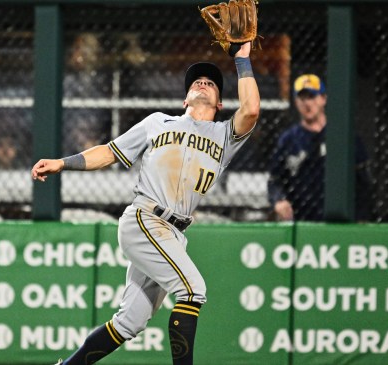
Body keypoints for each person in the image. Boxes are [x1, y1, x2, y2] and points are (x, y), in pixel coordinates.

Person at [31, 42, 259, 365]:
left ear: (220, 102)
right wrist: (62, 163)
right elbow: (110, 151)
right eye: (196, 81)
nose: (203, 83)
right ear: (185, 98)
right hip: (145, 219)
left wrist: (242, 60)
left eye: (210, 82)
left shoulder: (224, 136)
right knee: (192, 290)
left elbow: (250, 110)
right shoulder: (158, 123)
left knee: (130, 322)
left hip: (174, 233)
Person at [267, 74, 371, 221]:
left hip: (339, 220)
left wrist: (362, 216)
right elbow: (274, 180)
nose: (307, 103)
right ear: (296, 101)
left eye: (312, 97)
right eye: (302, 98)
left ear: (323, 99)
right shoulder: (288, 140)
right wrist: (278, 200)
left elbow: (363, 180)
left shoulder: (343, 136)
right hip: (300, 218)